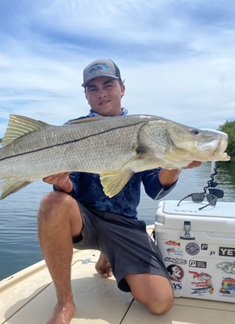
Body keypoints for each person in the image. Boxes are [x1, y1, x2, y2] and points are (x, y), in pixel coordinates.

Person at [38, 59, 201, 324]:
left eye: (108, 84)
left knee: (161, 303)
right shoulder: (70, 130)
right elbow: (72, 187)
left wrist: (174, 165)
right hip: (84, 220)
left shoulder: (145, 130)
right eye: (92, 88)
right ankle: (64, 301)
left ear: (122, 88)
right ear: (86, 95)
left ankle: (108, 254)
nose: (101, 92)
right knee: (52, 202)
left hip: (124, 224)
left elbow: (155, 190)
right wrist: (62, 181)